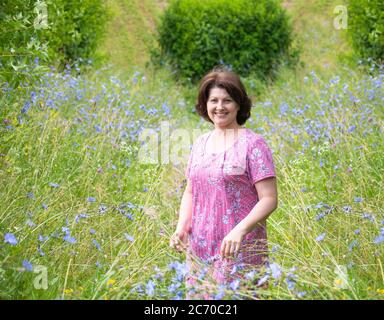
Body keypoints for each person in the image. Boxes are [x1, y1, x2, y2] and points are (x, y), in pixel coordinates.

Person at [170, 66, 278, 299]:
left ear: (239, 104)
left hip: (238, 248)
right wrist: (181, 227)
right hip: (200, 248)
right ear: (205, 104)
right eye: (214, 100)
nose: (219, 107)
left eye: (227, 100)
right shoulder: (200, 143)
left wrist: (240, 231)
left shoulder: (253, 144)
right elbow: (191, 191)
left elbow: (269, 199)